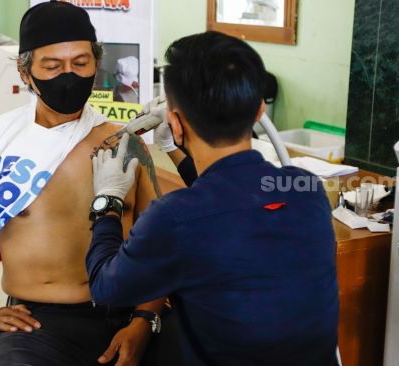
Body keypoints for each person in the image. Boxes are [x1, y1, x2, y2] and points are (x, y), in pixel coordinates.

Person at [0, 2, 180, 365]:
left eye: (81, 64)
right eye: (52, 66)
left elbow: (161, 240)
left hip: (131, 309)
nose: (68, 76)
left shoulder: (125, 141)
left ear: (96, 63)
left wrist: (145, 320)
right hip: (42, 323)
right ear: (25, 72)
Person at [86, 31, 340, 365]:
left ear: (176, 123)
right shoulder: (306, 189)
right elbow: (228, 197)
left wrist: (107, 200)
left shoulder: (174, 219)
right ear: (259, 109)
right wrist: (172, 149)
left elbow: (106, 286)